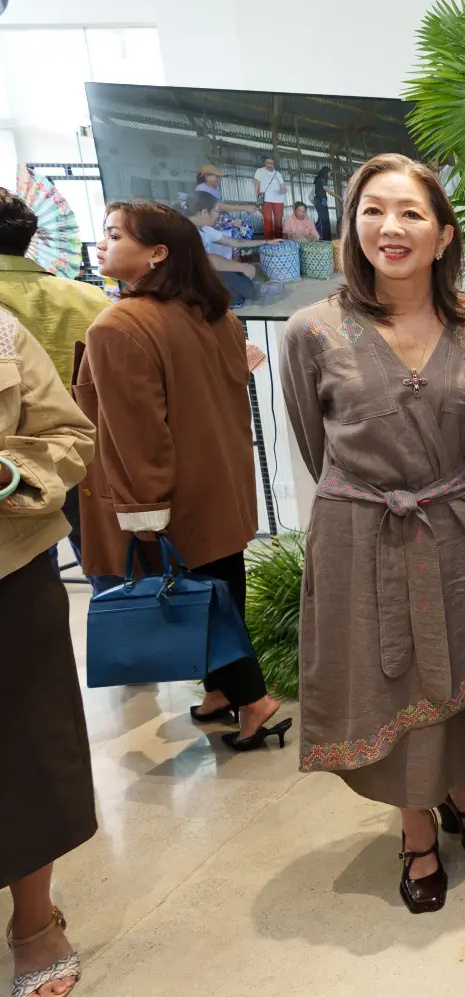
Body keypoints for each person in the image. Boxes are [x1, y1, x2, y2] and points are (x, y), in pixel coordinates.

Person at [280, 153, 465, 916]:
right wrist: (373, 499)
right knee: (390, 679)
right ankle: (417, 832)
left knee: (461, 672)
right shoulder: (312, 331)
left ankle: (464, 798)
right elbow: (313, 444)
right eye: (374, 210)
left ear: (444, 233)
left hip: (456, 525)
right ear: (353, 226)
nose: (393, 227)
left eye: (412, 212)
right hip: (363, 536)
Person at [77, 200, 286, 751]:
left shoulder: (118, 325)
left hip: (172, 493)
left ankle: (254, 701)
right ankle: (220, 693)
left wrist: (144, 511)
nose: (101, 243)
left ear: (156, 254)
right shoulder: (215, 316)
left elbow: (136, 432)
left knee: (200, 597)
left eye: (114, 233)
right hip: (221, 483)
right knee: (222, 589)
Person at [1, 309, 96, 997]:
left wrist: (9, 470)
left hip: (8, 565)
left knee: (28, 745)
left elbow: (71, 434)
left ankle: (33, 921)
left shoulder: (2, 331)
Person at [0, 186, 109, 568]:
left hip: (11, 474)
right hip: (92, 456)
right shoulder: (92, 298)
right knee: (108, 572)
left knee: (26, 564)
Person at [184, 191, 269, 304]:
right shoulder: (185, 231)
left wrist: (266, 241)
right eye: (217, 211)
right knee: (230, 276)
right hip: (186, 280)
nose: (218, 215)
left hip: (199, 272)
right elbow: (206, 259)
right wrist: (242, 266)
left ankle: (246, 292)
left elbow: (234, 242)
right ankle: (252, 292)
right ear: (205, 212)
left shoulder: (204, 229)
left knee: (234, 272)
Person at [254, 156, 287, 242]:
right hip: (266, 200)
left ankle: (279, 241)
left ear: (274, 164)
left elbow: (283, 187)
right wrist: (257, 200)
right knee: (267, 221)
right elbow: (257, 186)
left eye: (272, 163)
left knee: (278, 222)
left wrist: (284, 190)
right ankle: (268, 242)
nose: (270, 165)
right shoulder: (259, 171)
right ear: (265, 163)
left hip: (279, 200)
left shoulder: (278, 174)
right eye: (268, 163)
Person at [312, 166, 336, 242]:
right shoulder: (322, 179)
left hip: (320, 201)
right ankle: (325, 238)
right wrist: (338, 197)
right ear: (326, 172)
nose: (330, 174)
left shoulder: (318, 179)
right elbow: (327, 190)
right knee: (324, 221)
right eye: (329, 173)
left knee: (321, 220)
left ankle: (319, 236)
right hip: (321, 201)